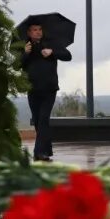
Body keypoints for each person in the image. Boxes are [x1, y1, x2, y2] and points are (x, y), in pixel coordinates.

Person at [20, 19, 72, 162]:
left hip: (49, 88)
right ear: (29, 32)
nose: (38, 32)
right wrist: (25, 53)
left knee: (43, 119)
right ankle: (46, 151)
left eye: (40, 29)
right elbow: (17, 65)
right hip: (32, 88)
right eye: (35, 30)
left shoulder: (51, 44)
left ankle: (39, 153)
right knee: (37, 120)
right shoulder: (25, 46)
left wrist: (52, 52)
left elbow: (68, 56)